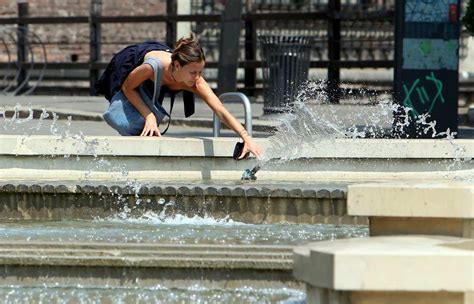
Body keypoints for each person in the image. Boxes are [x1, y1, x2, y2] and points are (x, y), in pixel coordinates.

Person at [94, 34, 263, 160]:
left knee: (148, 129)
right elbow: (128, 87)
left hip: (161, 80)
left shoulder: (196, 81)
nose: (197, 77)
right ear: (176, 65)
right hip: (131, 66)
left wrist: (246, 137)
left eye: (200, 72)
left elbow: (220, 110)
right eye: (193, 72)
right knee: (134, 119)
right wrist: (149, 115)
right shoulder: (152, 67)